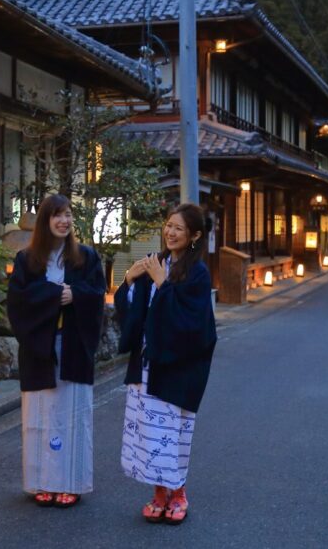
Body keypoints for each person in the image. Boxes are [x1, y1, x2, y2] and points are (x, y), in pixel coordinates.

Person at [114, 203, 217, 525]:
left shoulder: (198, 273)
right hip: (148, 365)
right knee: (149, 433)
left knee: (172, 433)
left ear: (194, 236)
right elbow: (134, 314)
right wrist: (130, 282)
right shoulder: (156, 263)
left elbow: (194, 325)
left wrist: (164, 285)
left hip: (177, 368)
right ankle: (159, 494)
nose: (170, 233)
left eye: (179, 229)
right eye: (168, 225)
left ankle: (179, 493)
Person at [7, 194, 106, 508]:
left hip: (74, 345)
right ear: (45, 221)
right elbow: (18, 302)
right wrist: (55, 295)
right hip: (41, 349)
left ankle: (71, 483)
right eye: (56, 215)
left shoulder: (86, 258)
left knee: (73, 415)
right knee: (39, 415)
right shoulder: (27, 260)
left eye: (67, 215)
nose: (63, 221)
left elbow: (97, 294)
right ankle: (41, 483)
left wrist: (74, 294)